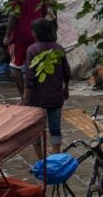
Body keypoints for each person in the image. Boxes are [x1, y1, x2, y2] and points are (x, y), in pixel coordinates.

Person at [22, 19, 70, 159]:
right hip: (55, 97)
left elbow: (29, 79)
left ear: (37, 33)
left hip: (37, 99)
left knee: (36, 130)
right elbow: (66, 72)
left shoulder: (32, 50)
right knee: (55, 128)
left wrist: (25, 99)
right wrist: (66, 89)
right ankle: (55, 157)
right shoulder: (58, 48)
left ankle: (41, 161)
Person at [4, 0, 48, 97]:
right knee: (38, 64)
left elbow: (13, 14)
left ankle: (24, 97)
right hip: (38, 33)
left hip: (20, 34)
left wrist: (7, 35)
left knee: (15, 66)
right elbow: (44, 10)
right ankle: (39, 93)